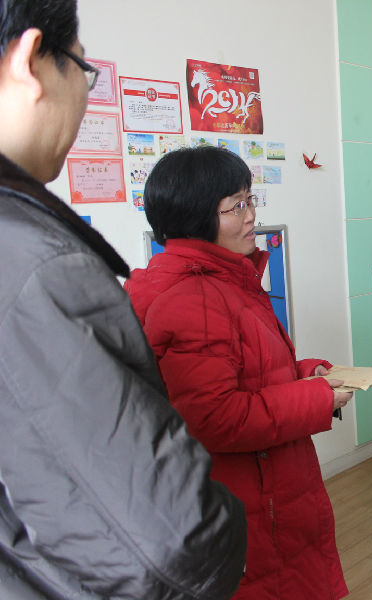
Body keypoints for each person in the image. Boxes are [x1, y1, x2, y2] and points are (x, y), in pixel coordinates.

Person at [0, 2, 247, 598]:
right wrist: (227, 530)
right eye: (82, 69)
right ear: (32, 61)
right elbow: (170, 539)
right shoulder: (37, 266)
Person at [125, 146, 351, 600]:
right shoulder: (194, 297)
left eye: (250, 200)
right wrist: (317, 397)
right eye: (237, 206)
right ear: (195, 218)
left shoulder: (221, 279)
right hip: (247, 500)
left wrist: (305, 373)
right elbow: (215, 416)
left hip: (259, 492)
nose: (251, 216)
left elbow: (243, 372)